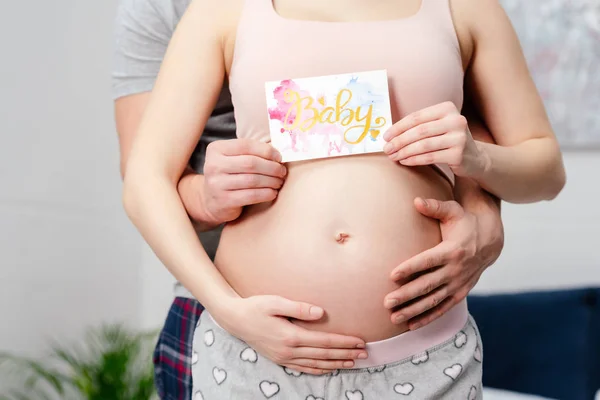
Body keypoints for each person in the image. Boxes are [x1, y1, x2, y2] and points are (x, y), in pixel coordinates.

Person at [115, 0, 565, 399]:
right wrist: (227, 309)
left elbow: (546, 172)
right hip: (254, 350)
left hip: (425, 354)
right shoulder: (221, 9)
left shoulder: (465, 7)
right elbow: (145, 180)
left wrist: (477, 158)